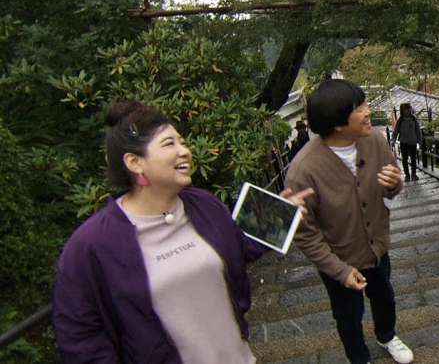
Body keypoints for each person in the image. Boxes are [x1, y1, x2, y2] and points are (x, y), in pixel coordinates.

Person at [52, 101, 312, 364]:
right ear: (134, 162)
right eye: (169, 144)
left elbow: (237, 246)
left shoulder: (203, 204)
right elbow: (79, 336)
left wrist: (280, 216)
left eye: (183, 143)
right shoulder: (91, 245)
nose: (185, 151)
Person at [285, 79, 414, 364]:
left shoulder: (375, 140)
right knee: (348, 315)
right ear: (337, 123)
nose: (368, 111)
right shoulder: (302, 170)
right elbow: (305, 234)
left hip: (377, 248)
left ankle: (386, 335)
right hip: (338, 258)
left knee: (385, 297)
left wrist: (394, 184)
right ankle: (359, 357)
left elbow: (391, 186)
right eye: (359, 108)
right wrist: (339, 270)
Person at [391, 103, 423, 181]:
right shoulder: (400, 120)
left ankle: (413, 174)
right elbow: (396, 131)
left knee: (413, 159)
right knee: (404, 159)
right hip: (403, 142)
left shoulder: (414, 119)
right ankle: (407, 175)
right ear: (402, 110)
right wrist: (393, 140)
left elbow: (418, 131)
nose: (407, 110)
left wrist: (420, 141)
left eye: (409, 108)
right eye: (405, 109)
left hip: (413, 142)